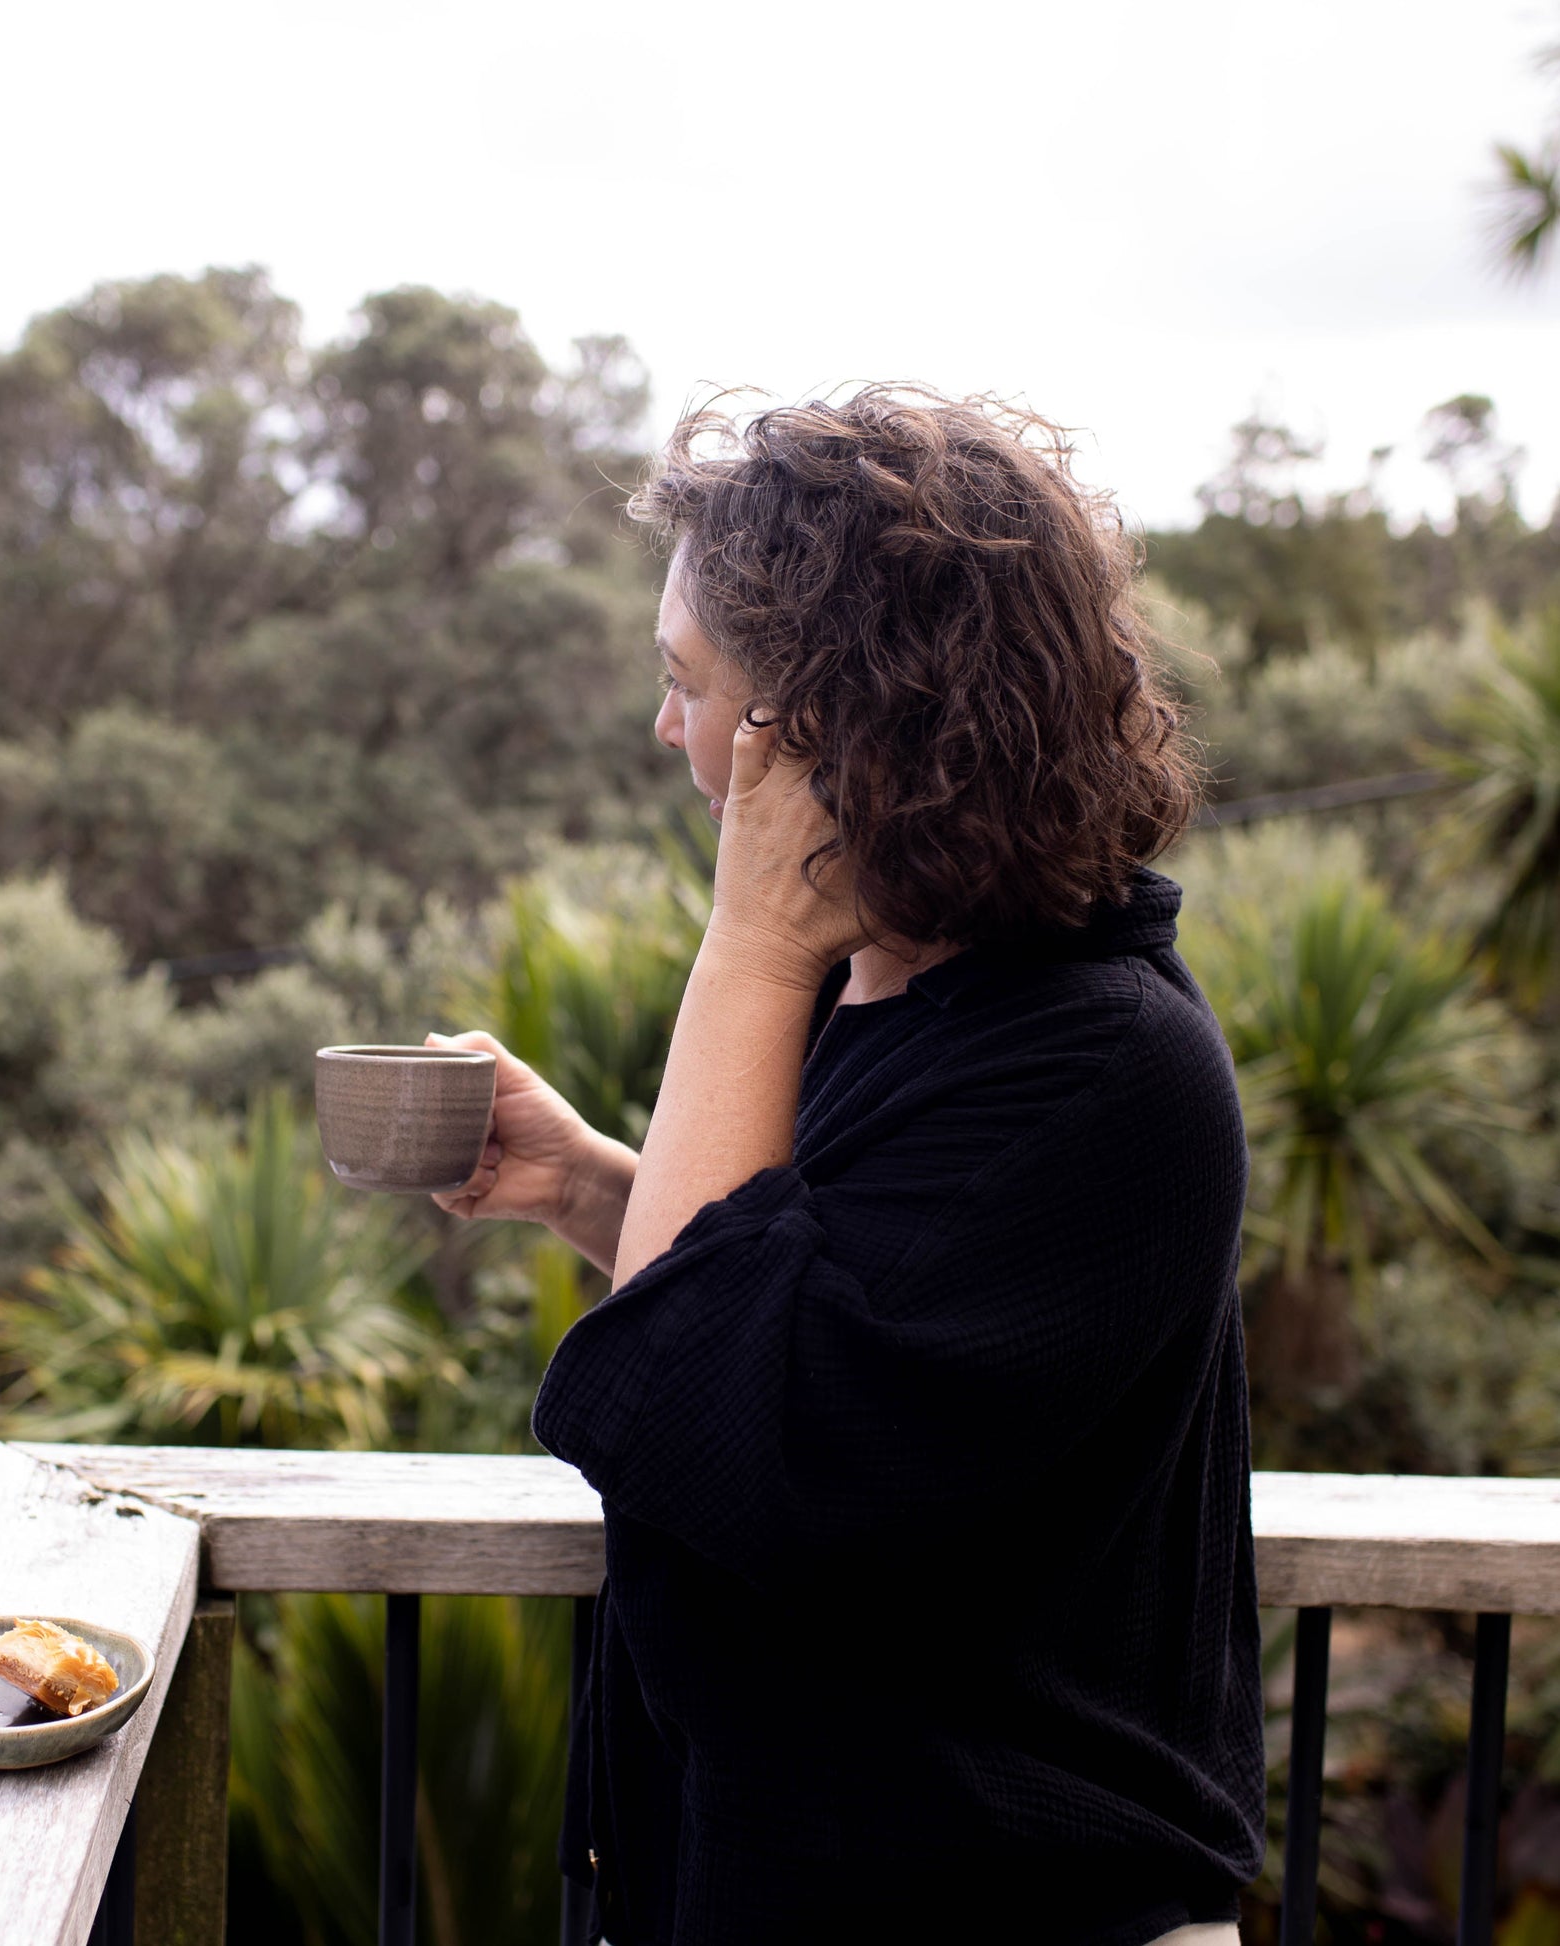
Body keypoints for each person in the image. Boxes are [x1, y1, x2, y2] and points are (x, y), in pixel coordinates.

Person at [430, 387, 1264, 1946]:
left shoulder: (1096, 1061)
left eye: (687, 684)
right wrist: (586, 1189)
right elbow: (829, 1321)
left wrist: (745, 939)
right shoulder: (885, 985)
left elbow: (702, 1420)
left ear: (819, 729)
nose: (660, 727)